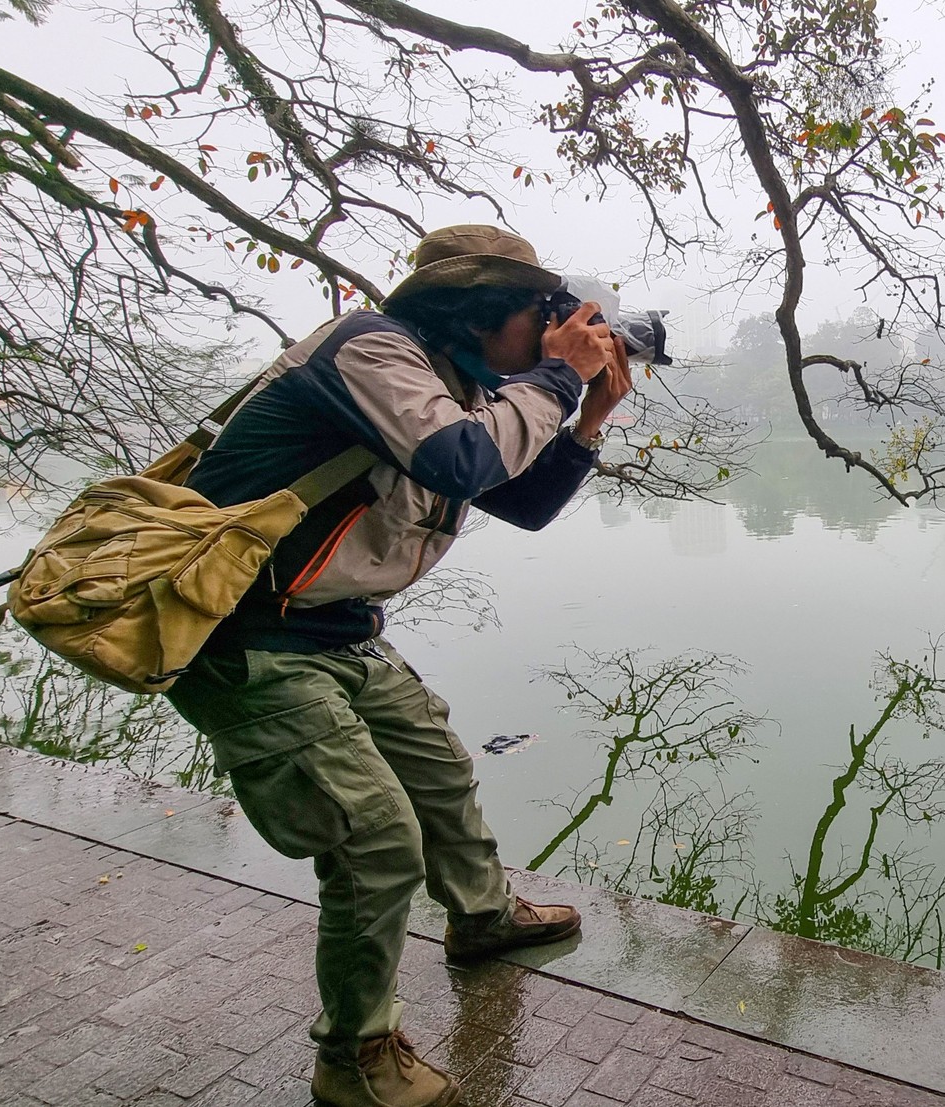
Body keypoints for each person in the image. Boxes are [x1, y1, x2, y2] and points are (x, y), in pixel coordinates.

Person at [165, 225, 632, 1107]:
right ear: (485, 307)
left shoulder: (460, 386)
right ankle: (355, 1056)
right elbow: (460, 458)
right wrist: (560, 377)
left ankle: (484, 917)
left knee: (439, 768)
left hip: (334, 628)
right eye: (545, 314)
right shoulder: (370, 350)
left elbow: (520, 499)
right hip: (247, 638)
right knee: (375, 840)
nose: (557, 330)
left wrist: (589, 417)